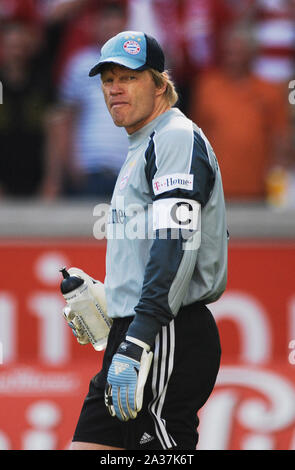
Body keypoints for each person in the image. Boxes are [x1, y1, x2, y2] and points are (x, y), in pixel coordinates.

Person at [67, 30, 228, 451]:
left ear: (161, 84)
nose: (115, 88)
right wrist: (116, 299)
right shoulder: (144, 143)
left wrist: (139, 334)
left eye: (130, 77)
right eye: (107, 79)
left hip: (164, 332)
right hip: (141, 326)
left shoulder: (173, 136)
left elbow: (176, 241)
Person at [190, 25, 291, 201]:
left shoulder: (270, 91)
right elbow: (194, 137)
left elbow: (281, 140)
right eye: (229, 51)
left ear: (253, 54)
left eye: (238, 52)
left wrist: (279, 183)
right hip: (215, 190)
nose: (232, 57)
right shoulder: (207, 86)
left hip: (258, 190)